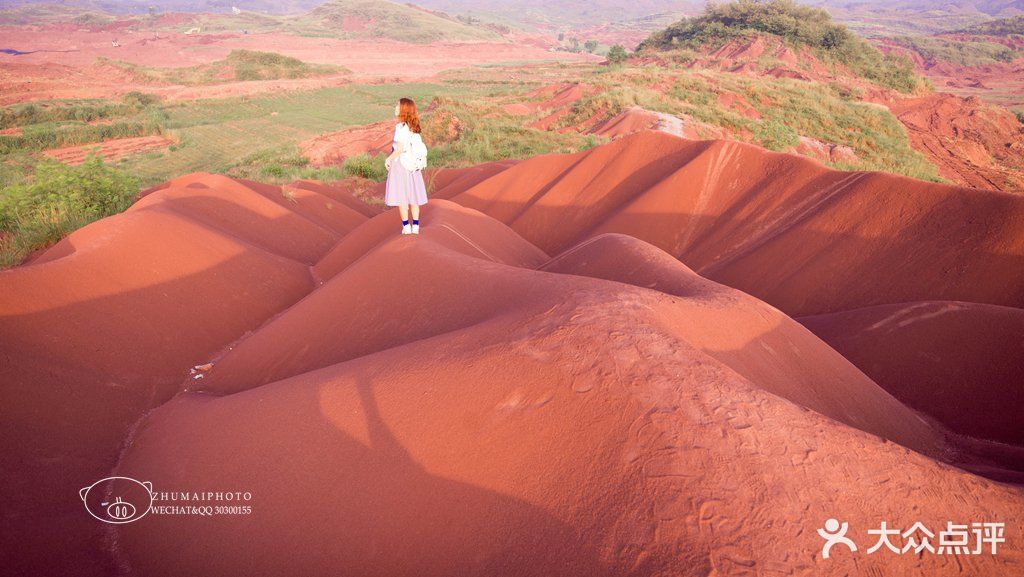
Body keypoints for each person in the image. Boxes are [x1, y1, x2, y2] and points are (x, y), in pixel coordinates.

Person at [384, 98, 428, 234]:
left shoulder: (401, 128)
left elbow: (399, 150)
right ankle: (416, 226)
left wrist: (388, 159)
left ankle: (406, 227)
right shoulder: (413, 127)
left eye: (398, 105)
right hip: (413, 165)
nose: (395, 107)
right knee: (414, 196)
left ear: (403, 110)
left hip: (401, 165)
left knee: (401, 197)